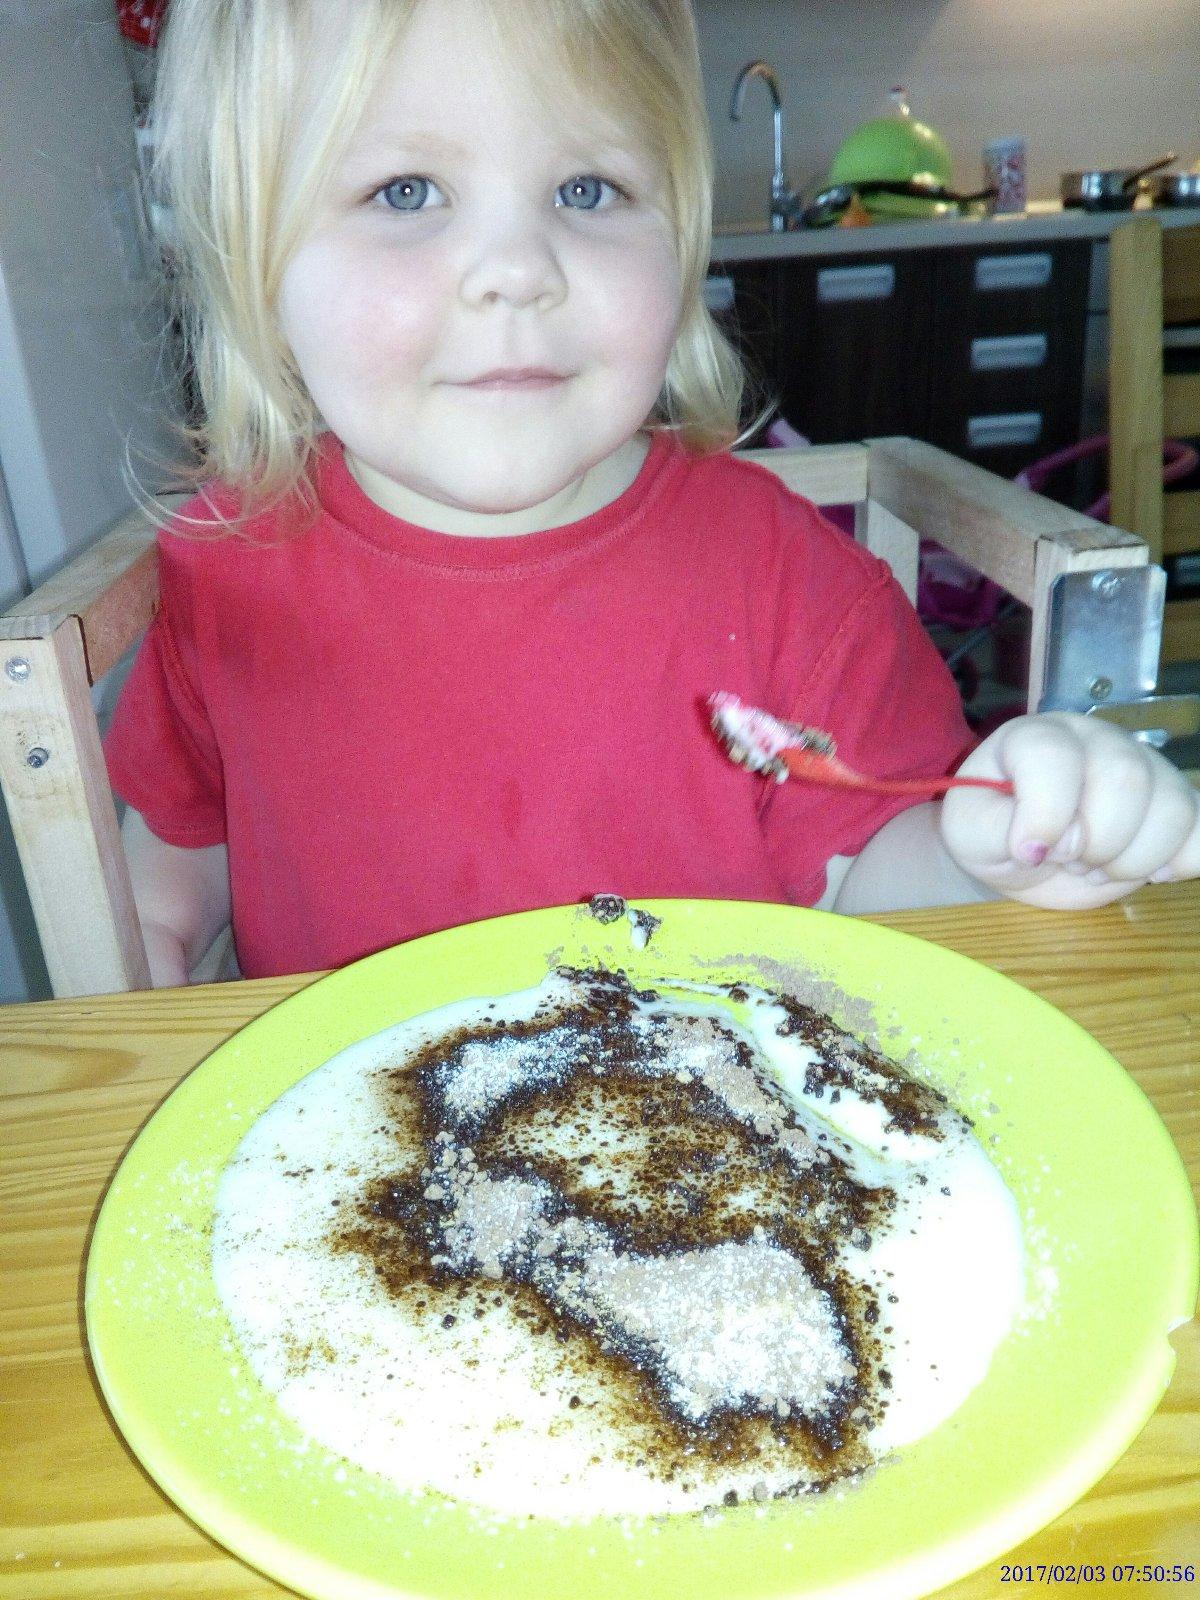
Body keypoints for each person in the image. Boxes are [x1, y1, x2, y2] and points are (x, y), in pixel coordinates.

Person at [105, 0, 1200, 987]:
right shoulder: (223, 569)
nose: (518, 268)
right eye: (405, 192)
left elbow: (876, 893)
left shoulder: (791, 582)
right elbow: (180, 862)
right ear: (255, 260)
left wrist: (994, 852)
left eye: (588, 189)